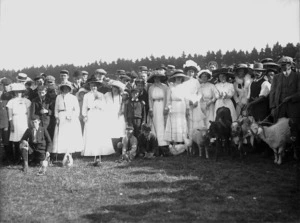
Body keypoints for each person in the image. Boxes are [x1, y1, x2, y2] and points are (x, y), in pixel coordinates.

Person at [81, 76, 114, 165]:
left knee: (100, 133)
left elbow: (105, 106)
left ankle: (101, 151)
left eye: (95, 86)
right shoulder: (86, 95)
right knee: (92, 133)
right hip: (91, 114)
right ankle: (91, 152)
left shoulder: (101, 95)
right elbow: (84, 106)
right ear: (89, 86)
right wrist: (84, 115)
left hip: (99, 114)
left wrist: (99, 105)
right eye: (92, 86)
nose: (93, 87)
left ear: (97, 86)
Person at [270, 56, 300, 148]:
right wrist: (273, 107)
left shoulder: (297, 76)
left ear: (290, 65)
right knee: (280, 128)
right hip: (280, 107)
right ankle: (282, 150)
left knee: (294, 128)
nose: (282, 66)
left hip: (294, 107)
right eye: (281, 65)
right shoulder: (276, 77)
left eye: (284, 65)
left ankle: (295, 150)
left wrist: (291, 97)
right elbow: (272, 93)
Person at [52, 82, 83, 158]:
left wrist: (72, 116)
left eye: (67, 88)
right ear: (61, 89)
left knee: (70, 134)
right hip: (61, 116)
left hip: (70, 117)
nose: (65, 90)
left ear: (69, 89)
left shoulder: (73, 97)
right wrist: (57, 117)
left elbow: (77, 110)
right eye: (64, 88)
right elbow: (56, 109)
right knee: (61, 134)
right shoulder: (58, 97)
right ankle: (62, 153)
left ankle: (71, 152)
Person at [6, 83, 31, 164]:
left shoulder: (27, 101)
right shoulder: (11, 101)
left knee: (24, 140)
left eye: (20, 91)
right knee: (16, 141)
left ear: (23, 92)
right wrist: (11, 124)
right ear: (14, 92)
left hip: (24, 120)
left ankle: (25, 158)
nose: (18, 93)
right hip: (15, 120)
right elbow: (9, 115)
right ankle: (17, 158)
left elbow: (29, 114)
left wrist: (28, 124)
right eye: (16, 92)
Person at [164, 69, 189, 146]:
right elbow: (168, 99)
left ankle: (181, 140)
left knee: (181, 122)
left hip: (182, 106)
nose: (178, 78)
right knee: (173, 122)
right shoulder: (171, 87)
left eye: (180, 77)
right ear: (174, 78)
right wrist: (168, 107)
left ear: (182, 78)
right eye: (177, 77)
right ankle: (173, 140)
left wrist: (187, 107)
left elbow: (186, 98)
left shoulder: (184, 86)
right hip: (174, 105)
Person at [148, 70, 170, 156]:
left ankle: (163, 144)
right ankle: (155, 144)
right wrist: (150, 108)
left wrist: (166, 107)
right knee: (155, 124)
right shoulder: (151, 87)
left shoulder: (165, 87)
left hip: (162, 106)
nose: (156, 79)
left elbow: (168, 98)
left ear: (161, 78)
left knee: (162, 124)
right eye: (155, 78)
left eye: (158, 78)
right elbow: (149, 99)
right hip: (154, 106)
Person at [105, 80, 126, 152]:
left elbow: (123, 105)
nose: (114, 89)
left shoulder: (121, 96)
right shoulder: (107, 95)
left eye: (116, 87)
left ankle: (118, 149)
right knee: (110, 131)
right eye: (113, 87)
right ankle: (111, 148)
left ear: (119, 89)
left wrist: (121, 111)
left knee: (119, 131)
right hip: (108, 115)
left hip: (118, 116)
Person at [0, 78, 13, 164]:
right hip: (2, 120)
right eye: (3, 85)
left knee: (8, 141)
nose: (5, 87)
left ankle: (9, 157)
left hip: (8, 121)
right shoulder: (1, 94)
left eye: (7, 85)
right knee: (4, 140)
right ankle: (5, 156)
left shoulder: (11, 96)